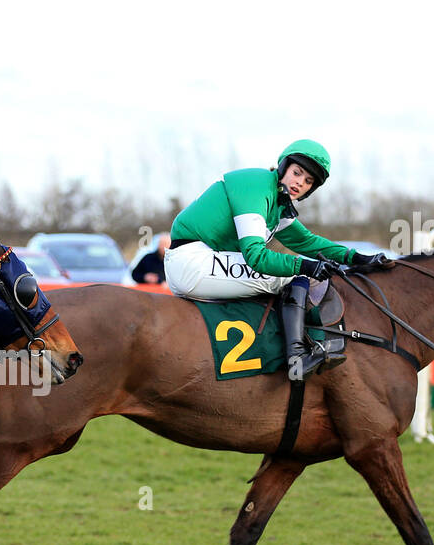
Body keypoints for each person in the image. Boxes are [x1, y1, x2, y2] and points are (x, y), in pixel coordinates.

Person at [165, 140, 393, 378]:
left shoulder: (277, 203)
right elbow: (256, 256)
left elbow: (309, 242)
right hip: (191, 262)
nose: (299, 183)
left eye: (308, 182)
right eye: (297, 173)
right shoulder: (257, 188)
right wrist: (306, 266)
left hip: (200, 260)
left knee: (297, 274)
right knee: (297, 277)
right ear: (283, 167)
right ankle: (297, 358)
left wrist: (358, 258)